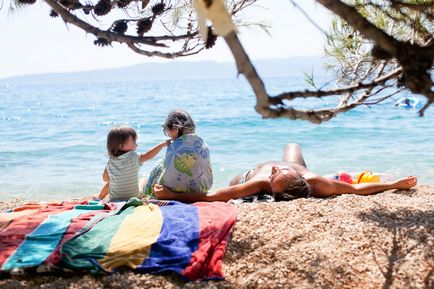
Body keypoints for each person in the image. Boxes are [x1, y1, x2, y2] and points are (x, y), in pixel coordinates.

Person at [153, 143, 417, 202]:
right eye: (279, 171)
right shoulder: (313, 180)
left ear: (271, 186)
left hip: (248, 173)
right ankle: (292, 159)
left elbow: (212, 196)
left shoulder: (258, 183)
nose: (275, 169)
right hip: (298, 168)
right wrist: (396, 183)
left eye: (274, 176)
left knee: (235, 183)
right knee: (292, 146)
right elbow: (357, 190)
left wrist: (171, 194)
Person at [144, 109, 213, 196]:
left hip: (174, 191)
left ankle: (146, 193)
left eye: (169, 133)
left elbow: (167, 178)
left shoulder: (175, 146)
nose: (170, 137)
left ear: (175, 129)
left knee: (159, 165)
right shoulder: (202, 143)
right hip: (201, 190)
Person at [98, 125, 170, 201]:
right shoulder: (133, 156)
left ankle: (99, 197)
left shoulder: (110, 161)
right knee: (144, 179)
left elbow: (105, 179)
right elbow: (148, 156)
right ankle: (143, 182)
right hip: (133, 197)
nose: (136, 144)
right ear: (121, 145)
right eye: (134, 142)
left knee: (111, 182)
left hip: (114, 199)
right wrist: (162, 145)